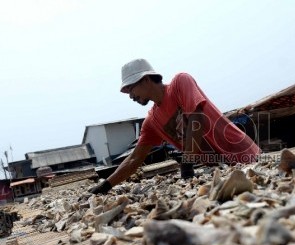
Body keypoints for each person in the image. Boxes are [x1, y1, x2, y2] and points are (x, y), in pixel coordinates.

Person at [89, 59, 260, 194]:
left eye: (131, 89)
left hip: (245, 157)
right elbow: (134, 159)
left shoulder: (180, 83)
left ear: (146, 79)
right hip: (222, 170)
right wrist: (106, 185)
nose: (131, 96)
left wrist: (186, 164)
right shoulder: (152, 121)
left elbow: (196, 119)